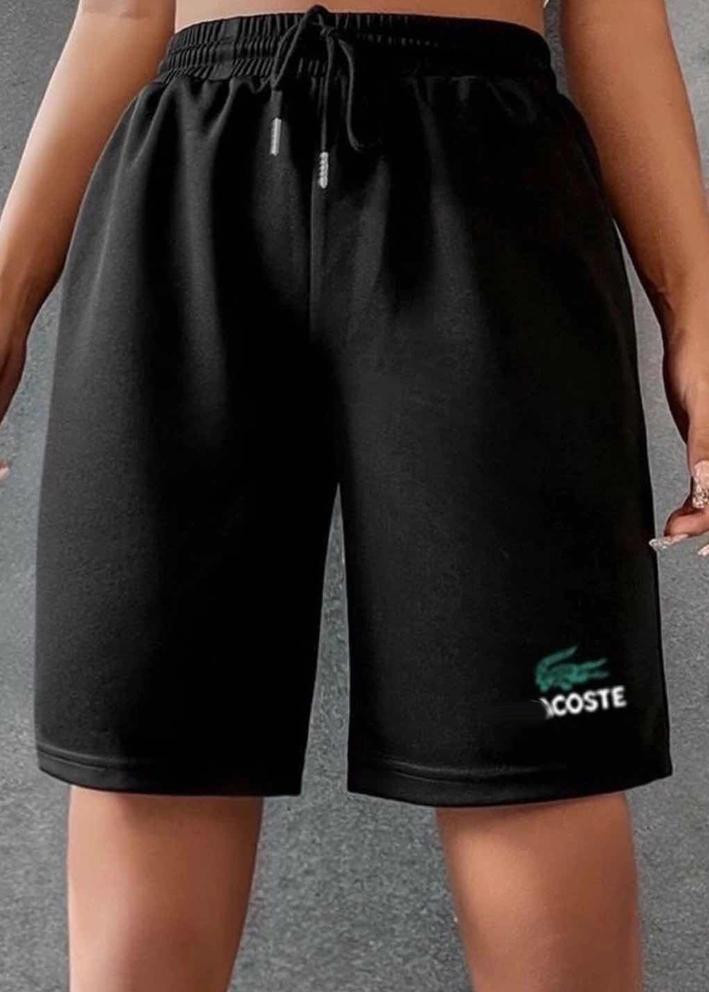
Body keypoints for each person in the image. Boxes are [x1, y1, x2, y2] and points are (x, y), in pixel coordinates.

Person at [0, 0, 707, 989]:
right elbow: (122, 10)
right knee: (146, 754)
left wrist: (697, 324)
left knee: (536, 759)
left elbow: (617, 25)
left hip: (485, 179)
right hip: (187, 180)